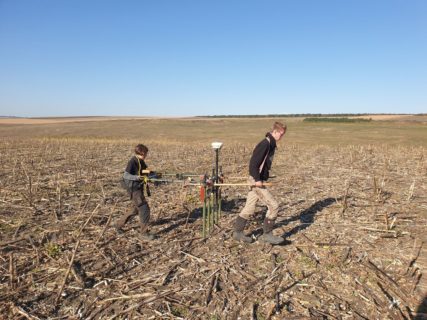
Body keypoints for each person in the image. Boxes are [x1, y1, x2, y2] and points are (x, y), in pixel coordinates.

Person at [233, 121, 287, 244]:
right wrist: (257, 180)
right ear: (275, 131)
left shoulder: (270, 144)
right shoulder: (265, 144)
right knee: (274, 206)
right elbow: (253, 164)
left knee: (249, 207)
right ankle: (267, 234)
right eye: (280, 134)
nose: (281, 137)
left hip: (257, 179)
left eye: (283, 134)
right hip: (256, 180)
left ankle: (238, 233)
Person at [115, 144, 155, 240]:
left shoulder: (141, 161)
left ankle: (118, 225)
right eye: (145, 153)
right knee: (144, 209)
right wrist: (138, 177)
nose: (146, 155)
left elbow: (144, 171)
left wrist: (153, 174)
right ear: (142, 153)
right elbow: (126, 175)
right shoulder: (132, 161)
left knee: (135, 209)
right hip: (134, 189)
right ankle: (144, 233)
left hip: (138, 188)